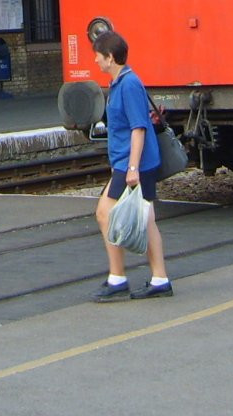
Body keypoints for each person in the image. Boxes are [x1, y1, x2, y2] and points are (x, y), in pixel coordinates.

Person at [90, 29, 171, 301]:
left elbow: (138, 128)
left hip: (135, 163)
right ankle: (158, 279)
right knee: (144, 218)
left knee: (106, 213)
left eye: (98, 57)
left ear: (110, 57)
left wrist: (132, 168)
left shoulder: (129, 84)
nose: (96, 62)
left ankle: (118, 278)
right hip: (127, 162)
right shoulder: (120, 82)